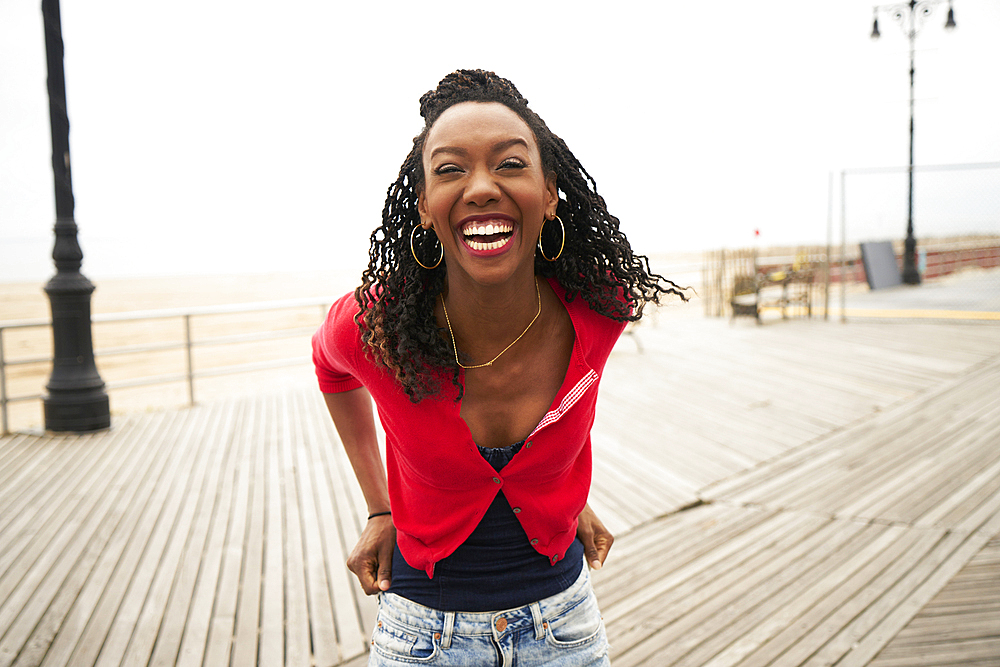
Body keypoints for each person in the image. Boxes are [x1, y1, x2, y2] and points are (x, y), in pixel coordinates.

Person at [312, 69, 686, 666]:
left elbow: (561, 422)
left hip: (566, 630)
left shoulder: (600, 309)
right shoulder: (375, 330)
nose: (481, 187)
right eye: (450, 169)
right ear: (426, 207)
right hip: (420, 638)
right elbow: (329, 371)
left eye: (511, 164)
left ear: (549, 192)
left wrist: (558, 497)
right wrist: (381, 507)